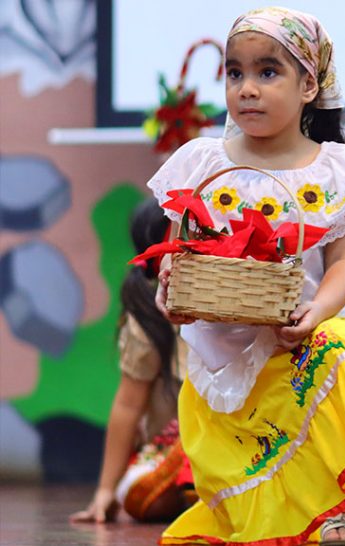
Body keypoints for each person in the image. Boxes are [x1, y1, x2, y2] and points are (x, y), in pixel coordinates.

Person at [148, 8, 345, 544]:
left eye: (268, 73)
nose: (247, 89)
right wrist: (170, 292)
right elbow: (179, 255)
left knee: (341, 347)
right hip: (225, 352)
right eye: (235, 73)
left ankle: (340, 511)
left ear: (309, 84)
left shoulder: (341, 170)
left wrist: (316, 312)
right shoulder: (200, 164)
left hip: (300, 348)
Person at [70, 201, 193, 524]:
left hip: (234, 441)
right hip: (175, 451)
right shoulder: (149, 319)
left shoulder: (237, 298)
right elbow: (127, 405)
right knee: (137, 494)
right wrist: (105, 490)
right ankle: (197, 495)